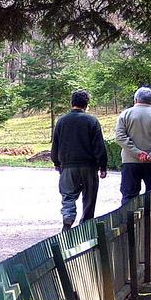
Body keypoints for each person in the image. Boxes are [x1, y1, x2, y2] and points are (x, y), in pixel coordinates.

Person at [51, 90, 108, 231]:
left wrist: (56, 163)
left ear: (72, 103)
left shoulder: (62, 121)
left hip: (68, 165)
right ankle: (86, 226)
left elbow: (56, 144)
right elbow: (99, 145)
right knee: (89, 198)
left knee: (68, 195)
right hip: (89, 166)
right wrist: (103, 166)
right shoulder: (92, 121)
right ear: (86, 104)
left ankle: (68, 216)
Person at [115, 86, 151, 206]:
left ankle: (129, 223)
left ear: (135, 99)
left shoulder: (125, 115)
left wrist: (137, 153)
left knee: (129, 196)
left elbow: (120, 137)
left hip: (130, 162)